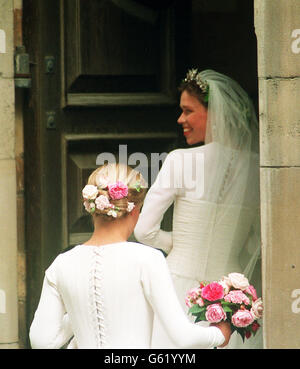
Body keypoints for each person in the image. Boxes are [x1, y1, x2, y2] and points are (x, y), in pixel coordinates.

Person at [29, 162, 232, 349]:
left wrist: (77, 311)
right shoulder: (147, 259)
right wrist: (220, 334)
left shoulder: (62, 264)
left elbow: (41, 341)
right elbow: (182, 337)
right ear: (135, 211)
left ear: (92, 208)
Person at [134, 69, 262, 349]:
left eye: (188, 111)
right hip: (233, 293)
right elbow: (255, 240)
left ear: (215, 113)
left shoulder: (181, 160)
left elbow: (144, 231)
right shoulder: (257, 168)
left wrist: (177, 244)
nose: (181, 119)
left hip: (177, 287)